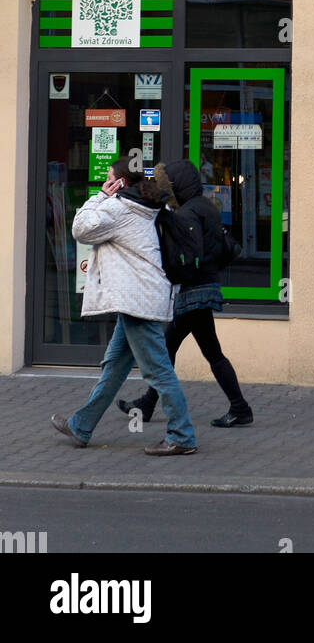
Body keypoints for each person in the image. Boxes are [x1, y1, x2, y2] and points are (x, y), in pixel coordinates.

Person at [51, 155, 197, 455]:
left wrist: (100, 196)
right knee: (114, 367)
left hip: (137, 302)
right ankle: (82, 425)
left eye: (108, 177)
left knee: (158, 372)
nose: (105, 181)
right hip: (140, 298)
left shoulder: (119, 209)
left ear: (118, 182)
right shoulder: (149, 206)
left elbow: (80, 228)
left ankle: (182, 436)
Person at [118, 160, 253, 428]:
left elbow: (191, 254)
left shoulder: (189, 212)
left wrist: (174, 271)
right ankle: (148, 403)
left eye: (167, 183)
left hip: (195, 292)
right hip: (204, 288)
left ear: (178, 185)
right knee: (182, 349)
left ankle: (240, 408)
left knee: (192, 351)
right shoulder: (206, 207)